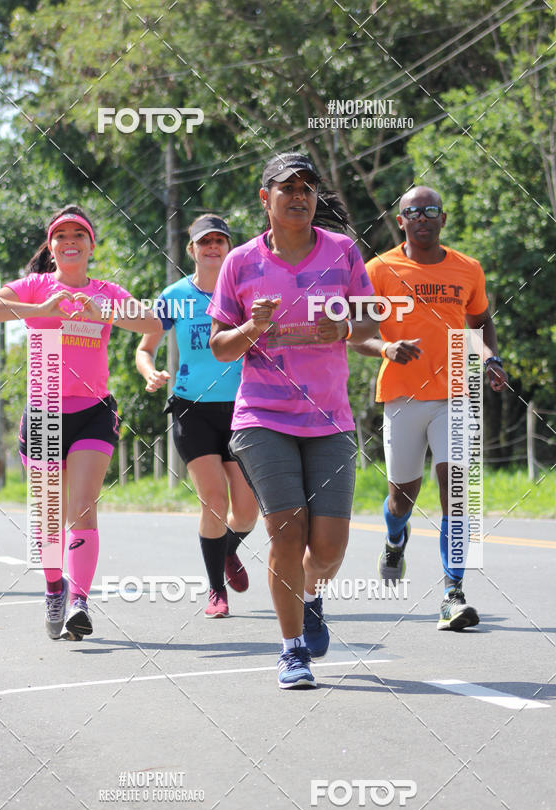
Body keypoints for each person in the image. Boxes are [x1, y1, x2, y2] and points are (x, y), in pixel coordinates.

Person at [208, 152, 378, 689]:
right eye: (288, 188)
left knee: (328, 548)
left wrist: (345, 330)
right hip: (262, 416)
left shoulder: (344, 252)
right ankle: (291, 649)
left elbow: (370, 318)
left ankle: (311, 594)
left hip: (330, 418)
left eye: (307, 187)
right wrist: (249, 332)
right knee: (286, 529)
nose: (299, 195)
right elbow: (219, 348)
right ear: (267, 199)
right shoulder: (240, 262)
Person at [0, 205, 160, 639]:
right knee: (47, 516)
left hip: (94, 411)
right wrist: (43, 307)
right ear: (52, 246)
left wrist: (106, 314)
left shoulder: (107, 292)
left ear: (91, 245)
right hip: (42, 412)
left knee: (82, 507)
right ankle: (54, 587)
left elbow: (153, 322)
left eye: (80, 234)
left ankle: (79, 601)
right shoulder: (36, 286)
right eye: (62, 235)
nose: (70, 241)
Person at [354, 185, 507, 631]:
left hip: (455, 393)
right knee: (402, 497)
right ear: (400, 221)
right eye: (412, 212)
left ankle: (452, 592)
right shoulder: (379, 269)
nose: (422, 217)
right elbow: (357, 333)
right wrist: (385, 348)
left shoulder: (467, 269)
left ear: (443, 218)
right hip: (401, 397)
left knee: (456, 495)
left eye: (430, 210)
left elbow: (479, 322)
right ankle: (395, 537)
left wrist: (489, 358)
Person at [135, 215, 258, 617]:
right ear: (192, 250)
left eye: (220, 241)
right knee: (214, 502)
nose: (212, 247)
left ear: (229, 248)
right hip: (191, 408)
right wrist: (150, 371)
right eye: (204, 242)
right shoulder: (175, 296)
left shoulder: (244, 292)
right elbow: (145, 347)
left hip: (241, 408)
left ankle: (226, 551)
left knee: (247, 509)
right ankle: (215, 590)